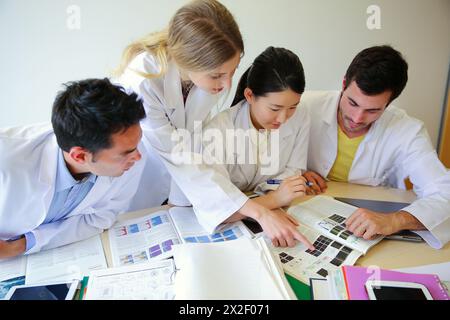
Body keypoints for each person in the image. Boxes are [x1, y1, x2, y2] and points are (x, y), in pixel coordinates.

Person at [115, 0, 311, 248]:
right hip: (139, 182)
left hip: (180, 189)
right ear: (186, 60)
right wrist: (260, 211)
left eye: (232, 71)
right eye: (217, 75)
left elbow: (193, 147)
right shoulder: (143, 79)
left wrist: (181, 200)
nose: (227, 85)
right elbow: (178, 153)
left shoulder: (204, 79)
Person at [301, 45, 450, 249]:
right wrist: (295, 172)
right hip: (307, 210)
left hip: (370, 229)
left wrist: (395, 220)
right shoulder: (303, 106)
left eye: (372, 110)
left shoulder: (408, 130)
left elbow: (444, 193)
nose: (356, 118)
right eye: (352, 103)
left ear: (389, 103)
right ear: (344, 83)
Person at [0, 78, 146, 258]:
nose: (138, 156)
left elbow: (99, 219)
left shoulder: (129, 157)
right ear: (80, 156)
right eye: (127, 152)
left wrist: (19, 246)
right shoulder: (7, 159)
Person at [202, 46, 310, 211]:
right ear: (250, 96)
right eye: (274, 109)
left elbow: (292, 171)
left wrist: (274, 189)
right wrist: (275, 199)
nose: (283, 118)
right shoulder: (218, 130)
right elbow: (217, 205)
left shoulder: (301, 117)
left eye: (292, 107)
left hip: (269, 208)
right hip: (232, 218)